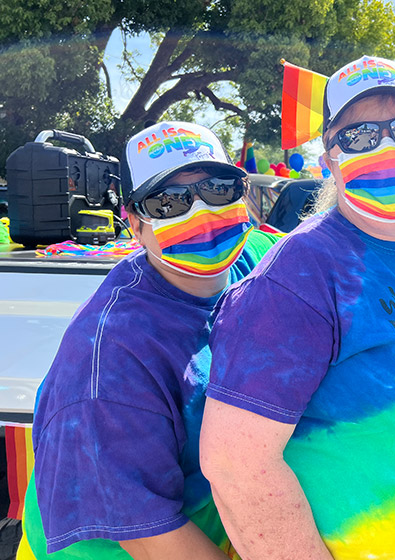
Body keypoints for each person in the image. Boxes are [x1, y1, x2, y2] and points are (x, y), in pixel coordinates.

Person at [200, 55, 395, 560]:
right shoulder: (298, 276)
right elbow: (236, 465)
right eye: (360, 136)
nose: (390, 147)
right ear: (329, 156)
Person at [19, 121, 281, 559]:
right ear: (135, 225)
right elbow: (148, 534)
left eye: (218, 188)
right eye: (168, 203)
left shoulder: (250, 262)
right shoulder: (109, 357)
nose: (201, 213)